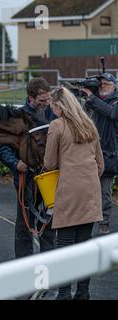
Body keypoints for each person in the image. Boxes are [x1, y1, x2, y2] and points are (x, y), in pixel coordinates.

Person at [44, 86, 104, 300]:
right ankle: (83, 292)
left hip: (68, 191)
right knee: (84, 245)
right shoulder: (89, 124)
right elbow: (100, 164)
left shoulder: (56, 125)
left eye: (52, 106)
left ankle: (63, 293)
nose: (51, 109)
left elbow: (49, 163)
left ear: (59, 106)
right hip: (90, 190)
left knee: (64, 245)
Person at [0, 78, 56, 259]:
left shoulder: (52, 113)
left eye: (48, 100)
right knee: (24, 222)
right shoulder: (17, 117)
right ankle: (24, 264)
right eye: (42, 101)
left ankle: (49, 261)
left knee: (49, 221)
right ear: (30, 98)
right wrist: (16, 164)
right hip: (26, 179)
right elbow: (3, 148)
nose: (46, 104)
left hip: (49, 177)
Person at [82, 73, 118, 235]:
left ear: (114, 86)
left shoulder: (115, 101)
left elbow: (112, 113)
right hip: (90, 154)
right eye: (100, 84)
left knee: (104, 193)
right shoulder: (93, 101)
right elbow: (83, 118)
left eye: (105, 84)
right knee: (87, 191)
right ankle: (86, 224)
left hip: (109, 155)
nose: (101, 87)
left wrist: (92, 98)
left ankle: (104, 224)